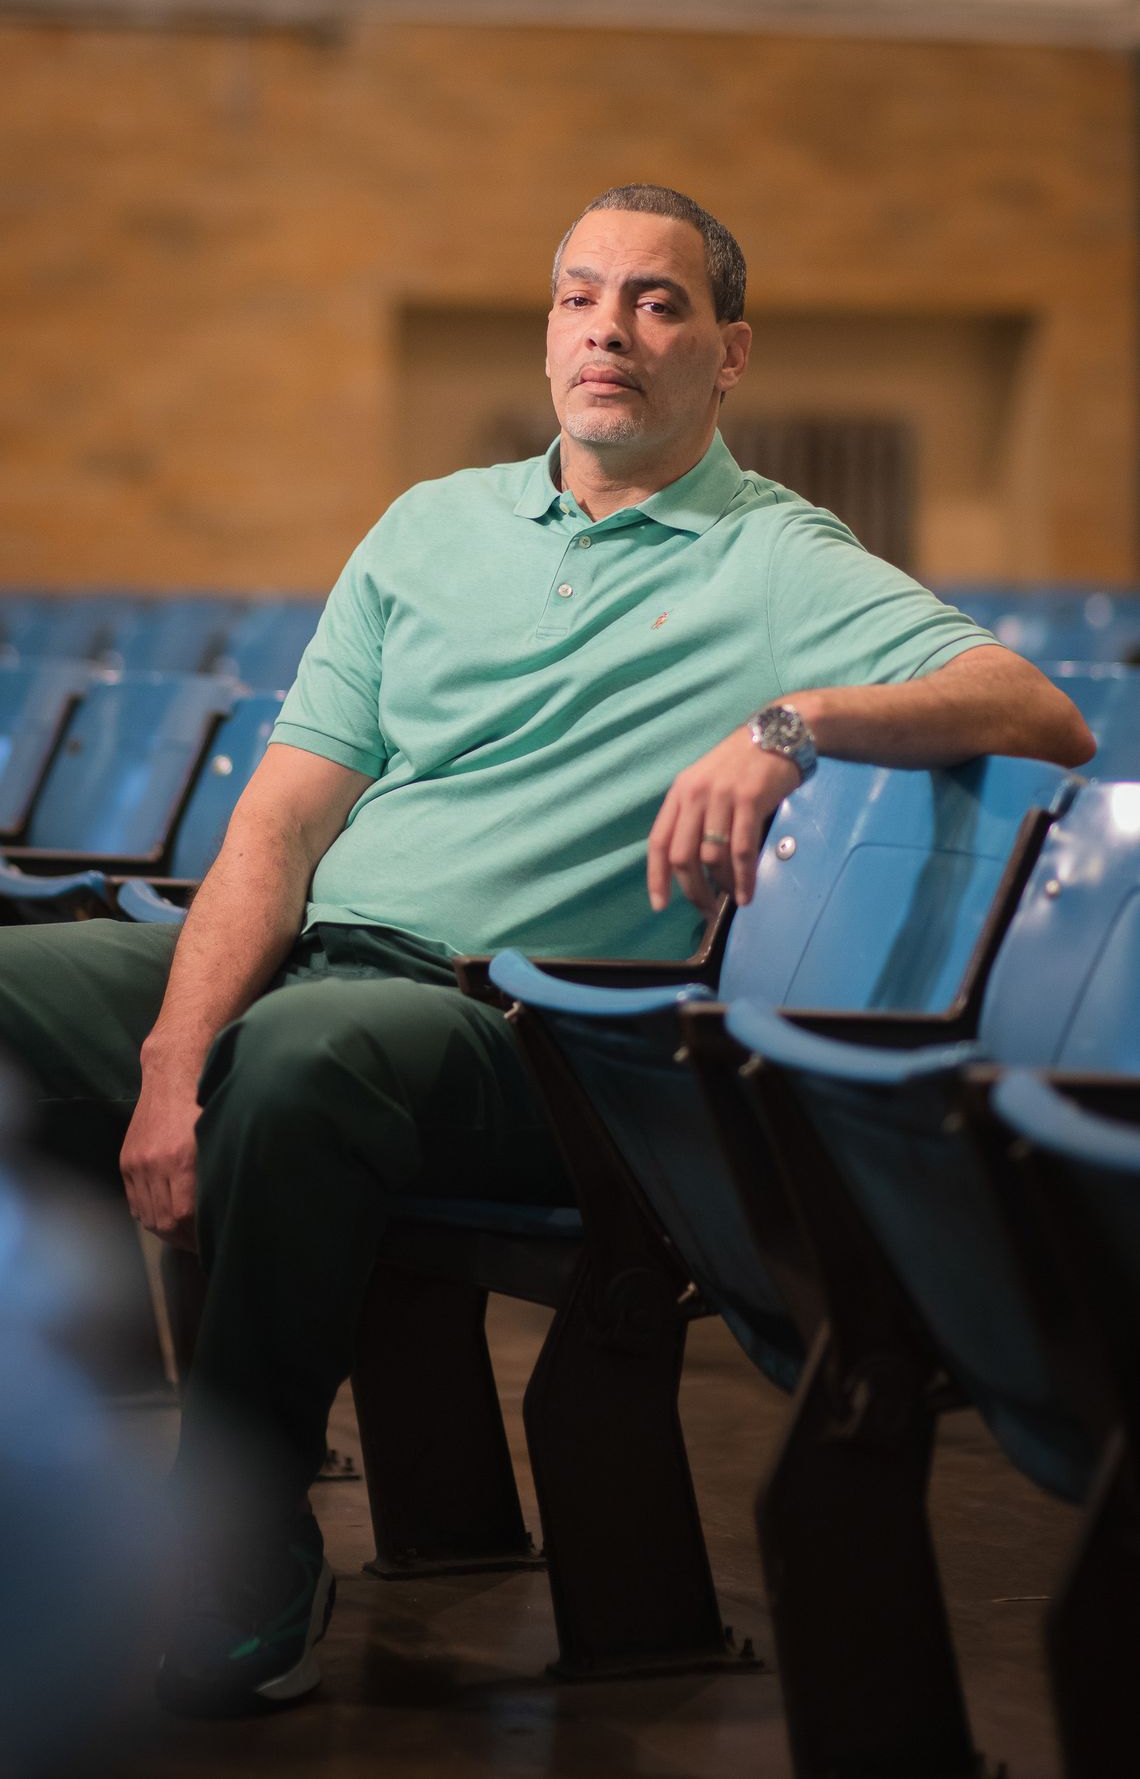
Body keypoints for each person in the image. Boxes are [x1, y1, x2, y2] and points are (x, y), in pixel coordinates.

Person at [0, 184, 1092, 1720]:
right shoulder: (428, 529)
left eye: (658, 303)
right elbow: (282, 827)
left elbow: (1041, 712)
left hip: (529, 1043)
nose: (612, 331)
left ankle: (243, 1557)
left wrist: (796, 723)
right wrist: (172, 1058)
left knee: (306, 1065)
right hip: (324, 955)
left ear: (727, 355)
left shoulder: (777, 557)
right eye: (583, 297)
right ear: (548, 332)